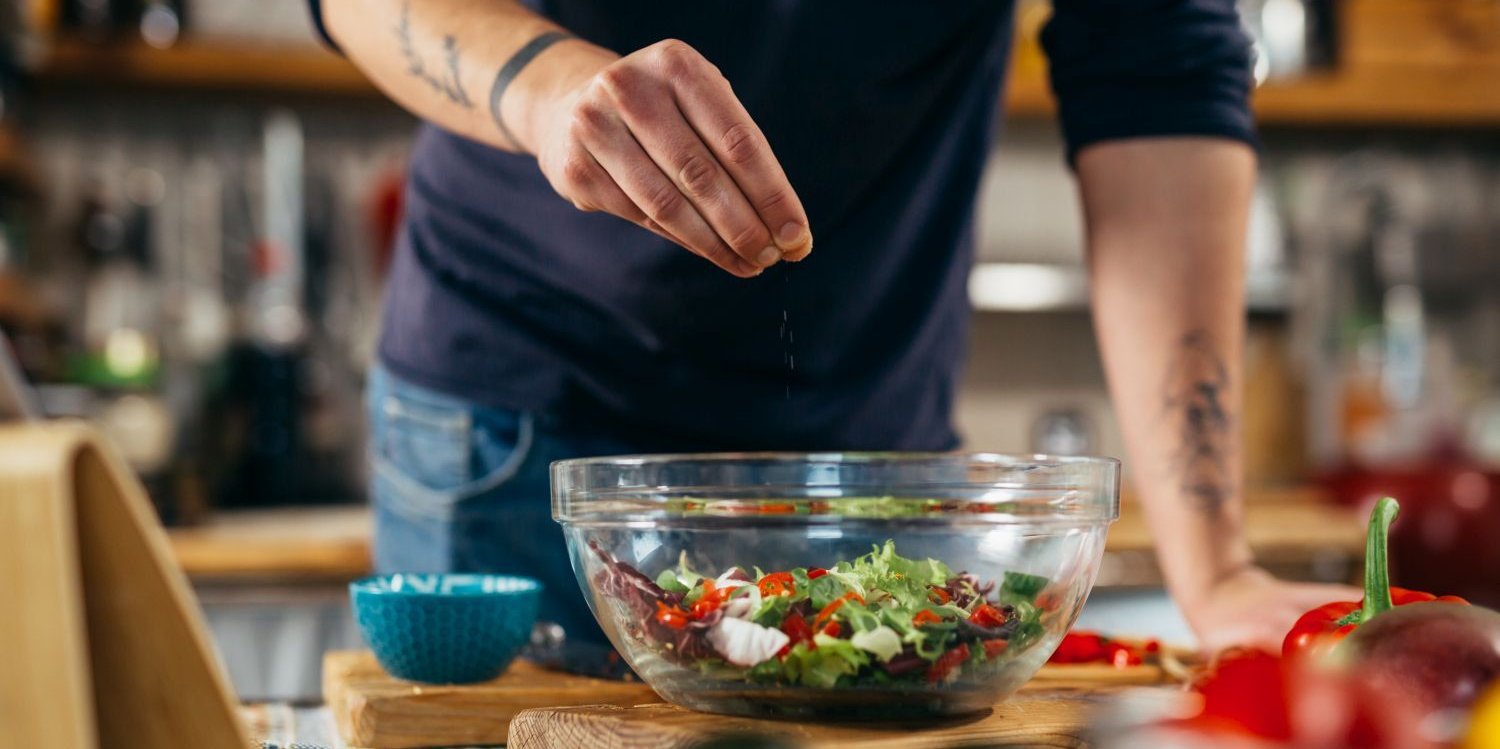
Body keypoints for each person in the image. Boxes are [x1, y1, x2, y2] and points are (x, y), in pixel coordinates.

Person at [311, 0, 1355, 653]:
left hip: (877, 456)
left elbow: (1154, 59)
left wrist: (1215, 569)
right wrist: (542, 91)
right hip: (519, 427)